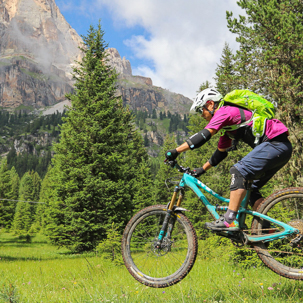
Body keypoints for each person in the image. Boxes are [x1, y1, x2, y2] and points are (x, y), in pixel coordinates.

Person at [165, 88, 292, 231]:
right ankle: (266, 230)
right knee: (251, 189)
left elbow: (204, 135)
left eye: (202, 110)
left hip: (276, 145)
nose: (202, 115)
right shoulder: (228, 127)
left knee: (238, 170)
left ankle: (229, 220)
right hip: (280, 149)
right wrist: (201, 170)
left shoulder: (224, 111)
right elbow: (220, 153)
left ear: (211, 104)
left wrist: (176, 151)